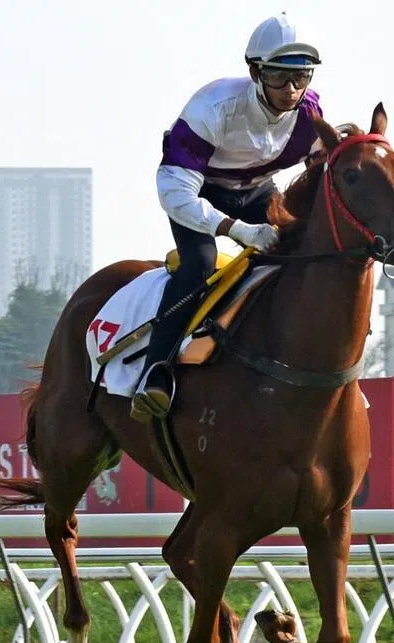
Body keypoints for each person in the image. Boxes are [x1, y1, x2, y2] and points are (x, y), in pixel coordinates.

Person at [131, 12, 324, 422]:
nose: (291, 90)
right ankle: (156, 373)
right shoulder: (213, 107)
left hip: (256, 191)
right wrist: (237, 230)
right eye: (279, 77)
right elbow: (174, 192)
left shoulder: (310, 114)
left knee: (300, 251)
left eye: (301, 77)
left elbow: (320, 173)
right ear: (255, 72)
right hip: (197, 192)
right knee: (199, 263)